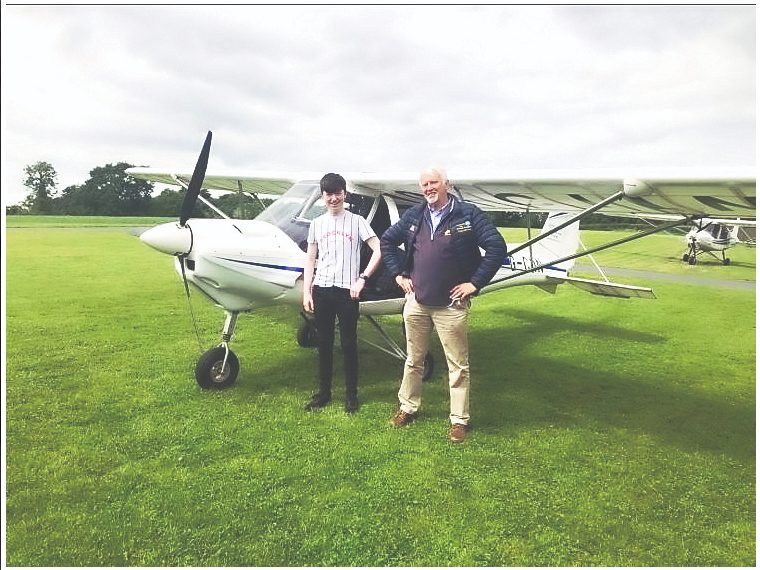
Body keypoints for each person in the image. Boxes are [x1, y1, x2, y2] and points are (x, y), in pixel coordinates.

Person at [380, 166, 507, 442]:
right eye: (424, 184)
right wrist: (398, 275)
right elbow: (387, 241)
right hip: (417, 302)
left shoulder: (468, 213)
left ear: (446, 184)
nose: (428, 188)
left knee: (457, 365)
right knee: (413, 360)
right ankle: (408, 407)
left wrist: (475, 283)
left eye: (433, 182)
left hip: (450, 305)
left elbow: (497, 247)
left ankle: (459, 420)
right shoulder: (415, 215)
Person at [302, 173, 382, 413]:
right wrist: (307, 291)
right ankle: (324, 393)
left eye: (338, 193)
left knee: (348, 343)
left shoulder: (357, 221)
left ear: (345, 194)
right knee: (324, 343)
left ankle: (351, 395)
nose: (334, 198)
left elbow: (378, 249)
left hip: (348, 292)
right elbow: (310, 259)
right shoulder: (317, 224)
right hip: (322, 290)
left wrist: (362, 279)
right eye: (329, 194)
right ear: (323, 196)